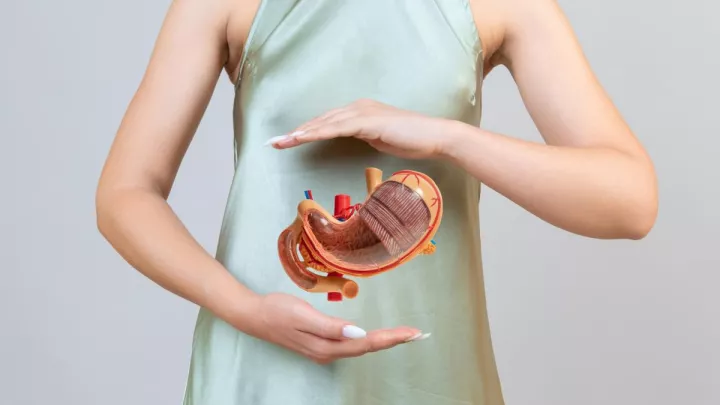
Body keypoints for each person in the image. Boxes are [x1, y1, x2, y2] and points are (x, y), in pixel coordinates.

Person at [95, 0, 658, 403]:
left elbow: (630, 202)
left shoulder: (500, 7)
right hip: (262, 371)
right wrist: (247, 311)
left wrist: (446, 137)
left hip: (430, 371)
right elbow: (125, 194)